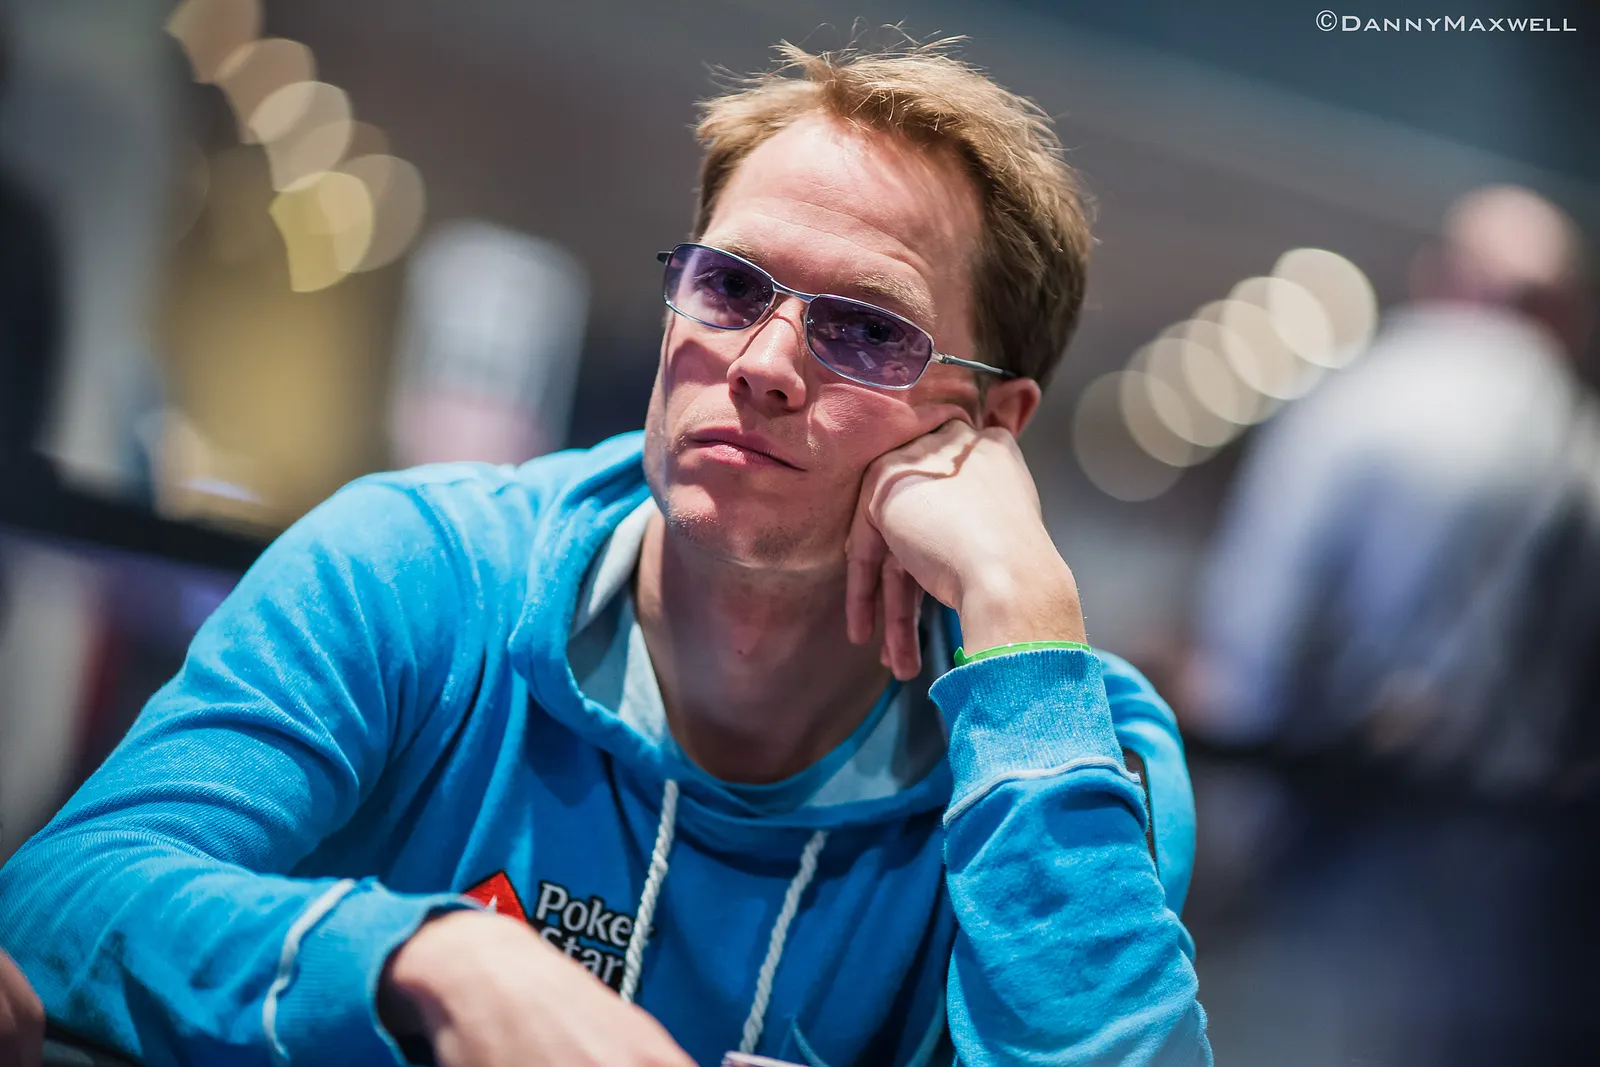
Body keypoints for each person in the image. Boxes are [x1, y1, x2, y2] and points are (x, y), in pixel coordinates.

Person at [0, 42, 1209, 1067]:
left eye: (863, 329)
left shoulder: (1071, 740)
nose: (763, 363)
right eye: (729, 284)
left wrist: (1019, 606)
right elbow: (62, 898)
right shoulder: (418, 567)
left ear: (989, 426)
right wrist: (432, 959)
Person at [1187, 184, 1600, 794]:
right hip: (1505, 821)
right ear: (1566, 311)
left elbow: (1255, 626)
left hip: (1319, 802)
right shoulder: (1582, 445)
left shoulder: (1357, 399)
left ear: (1438, 277)